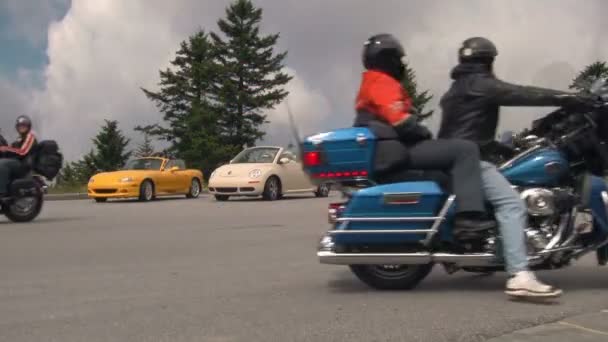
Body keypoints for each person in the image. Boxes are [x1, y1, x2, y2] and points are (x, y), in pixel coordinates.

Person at [439, 37, 594, 298]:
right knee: (512, 204)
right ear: (488, 61)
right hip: (469, 162)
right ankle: (519, 276)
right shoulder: (480, 84)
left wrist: (506, 150)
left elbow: (470, 132)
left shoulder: (458, 88)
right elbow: (520, 93)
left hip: (460, 157)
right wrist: (570, 98)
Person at [354, 33, 495, 231]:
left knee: (442, 172)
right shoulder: (381, 81)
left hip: (389, 148)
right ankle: (469, 218)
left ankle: (447, 222)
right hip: (396, 148)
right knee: (465, 150)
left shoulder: (371, 82)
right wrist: (422, 132)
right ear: (388, 59)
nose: (401, 64)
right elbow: (400, 121)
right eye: (398, 59)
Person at [0, 115, 37, 197]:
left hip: (24, 164)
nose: (21, 127)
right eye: (20, 125)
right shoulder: (18, 139)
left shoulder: (30, 137)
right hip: (17, 162)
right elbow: (11, 151)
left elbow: (23, 152)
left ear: (28, 126)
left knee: (2, 164)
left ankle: (1, 192)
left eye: (24, 125)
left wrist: (5, 148)